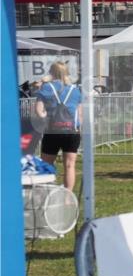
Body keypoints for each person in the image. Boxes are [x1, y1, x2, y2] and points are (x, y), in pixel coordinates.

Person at [34, 61, 81, 190]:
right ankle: (68, 196)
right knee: (70, 165)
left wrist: (46, 118)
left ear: (51, 72)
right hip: (72, 131)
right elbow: (79, 114)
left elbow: (39, 111)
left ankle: (46, 191)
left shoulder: (46, 88)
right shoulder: (75, 90)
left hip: (52, 131)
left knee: (46, 164)